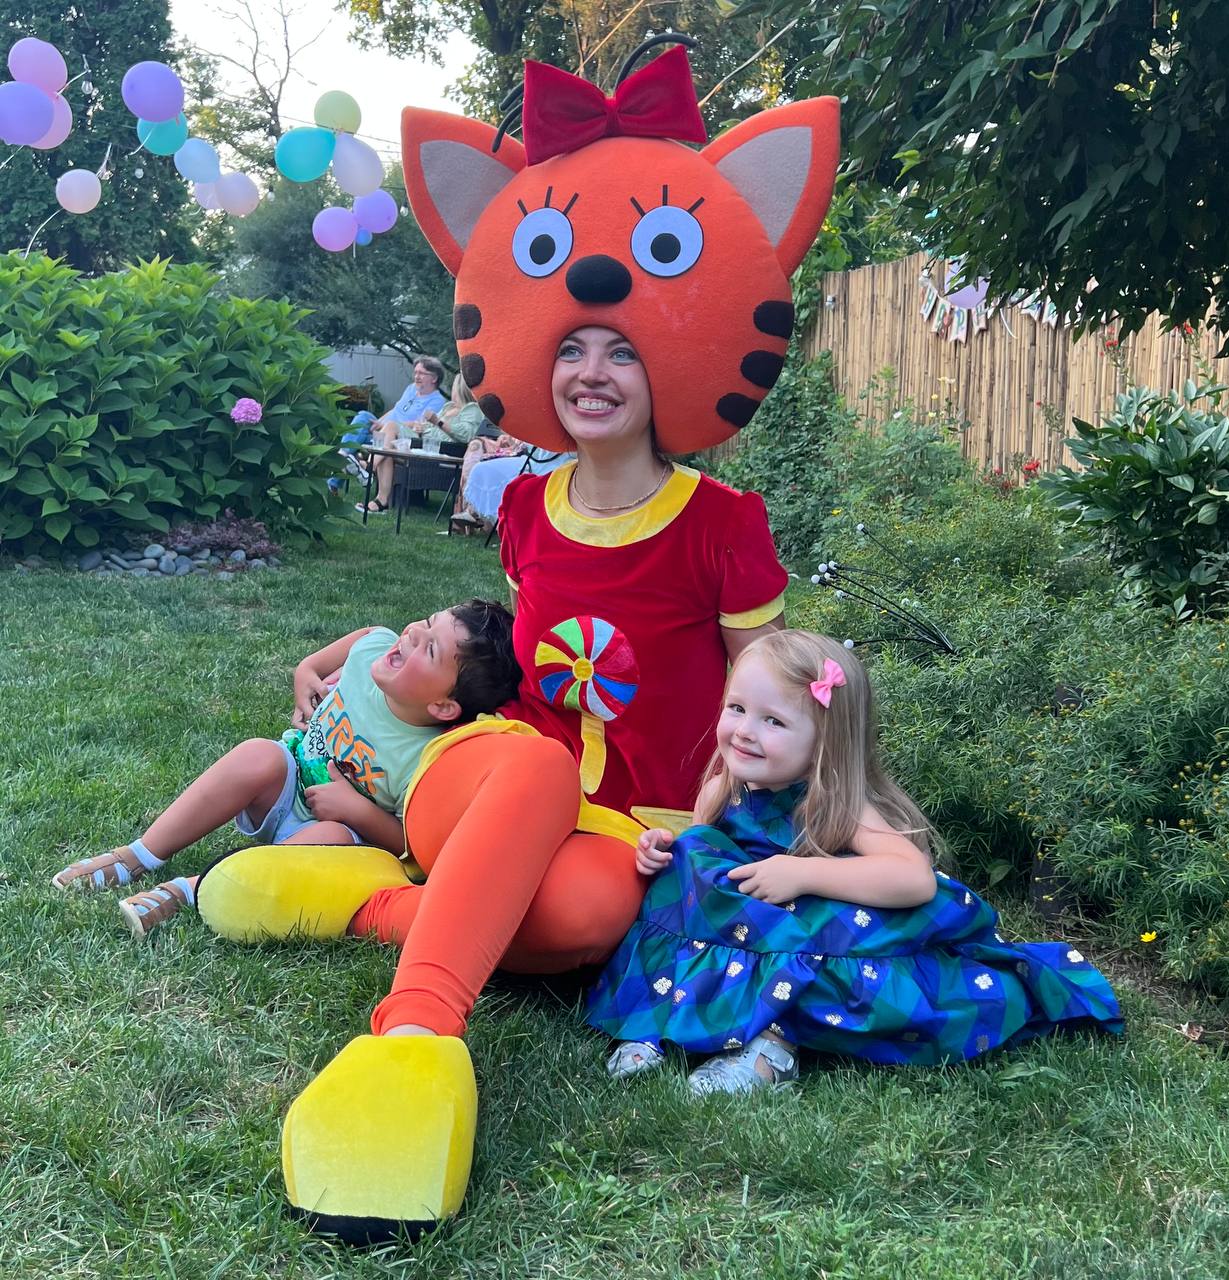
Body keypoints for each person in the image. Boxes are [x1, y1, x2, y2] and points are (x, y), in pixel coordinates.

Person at [194, 43, 843, 1241]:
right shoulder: (523, 507)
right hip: (498, 772)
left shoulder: (722, 523)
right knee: (536, 762)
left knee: (582, 922)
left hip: (643, 824)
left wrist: (722, 822)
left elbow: (771, 694)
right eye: (574, 348)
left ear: (672, 360)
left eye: (625, 349)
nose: (594, 371)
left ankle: (366, 894)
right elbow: (506, 665)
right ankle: (414, 1033)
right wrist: (356, 652)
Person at [585, 631, 1124, 1093]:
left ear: (825, 743)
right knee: (690, 861)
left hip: (823, 922)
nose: (745, 730)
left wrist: (804, 873)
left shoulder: (840, 803)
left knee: (806, 933)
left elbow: (913, 879)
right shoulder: (726, 787)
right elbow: (704, 854)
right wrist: (663, 846)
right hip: (748, 921)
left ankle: (772, 1048)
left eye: (773, 720)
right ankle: (658, 1021)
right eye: (737, 708)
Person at [52, 600, 520, 937]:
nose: (412, 634)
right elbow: (337, 653)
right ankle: (140, 854)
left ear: (442, 707)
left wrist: (354, 811)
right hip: (287, 780)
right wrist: (305, 674)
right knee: (258, 751)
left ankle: (192, 888)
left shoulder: (430, 757)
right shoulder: (371, 647)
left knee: (334, 835)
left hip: (338, 838)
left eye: (431, 649)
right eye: (425, 622)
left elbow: (414, 845)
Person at [356, 355, 450, 515]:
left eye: (421, 373)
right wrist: (380, 423)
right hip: (390, 437)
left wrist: (389, 426)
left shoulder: (437, 401)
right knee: (365, 418)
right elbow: (395, 410)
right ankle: (381, 501)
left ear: (434, 378)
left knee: (389, 433)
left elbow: (419, 425)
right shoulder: (411, 389)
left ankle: (368, 466)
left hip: (411, 441)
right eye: (415, 372)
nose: (416, 377)